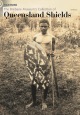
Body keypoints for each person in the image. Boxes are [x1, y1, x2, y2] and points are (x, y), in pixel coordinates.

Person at [26, 19, 55, 110]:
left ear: (48, 27)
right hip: (36, 62)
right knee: (33, 82)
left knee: (45, 82)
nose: (43, 28)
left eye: (45, 26)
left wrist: (52, 53)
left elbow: (53, 49)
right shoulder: (35, 37)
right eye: (41, 26)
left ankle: (43, 102)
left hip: (45, 63)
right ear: (39, 26)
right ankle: (34, 101)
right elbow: (31, 49)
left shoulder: (51, 38)